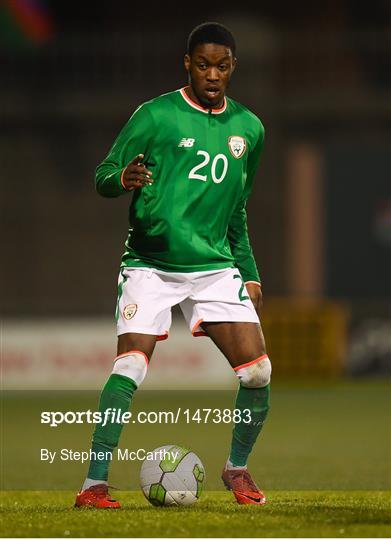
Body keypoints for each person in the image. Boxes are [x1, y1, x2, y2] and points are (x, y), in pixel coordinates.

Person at [75, 21, 271, 508]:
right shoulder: (155, 116)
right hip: (150, 265)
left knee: (258, 373)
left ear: (233, 69)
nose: (212, 75)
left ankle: (237, 470)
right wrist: (123, 177)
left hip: (214, 266)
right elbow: (102, 176)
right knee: (130, 366)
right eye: (203, 64)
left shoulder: (249, 129)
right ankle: (93, 485)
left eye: (221, 67)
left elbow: (237, 210)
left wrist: (248, 272)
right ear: (187, 63)